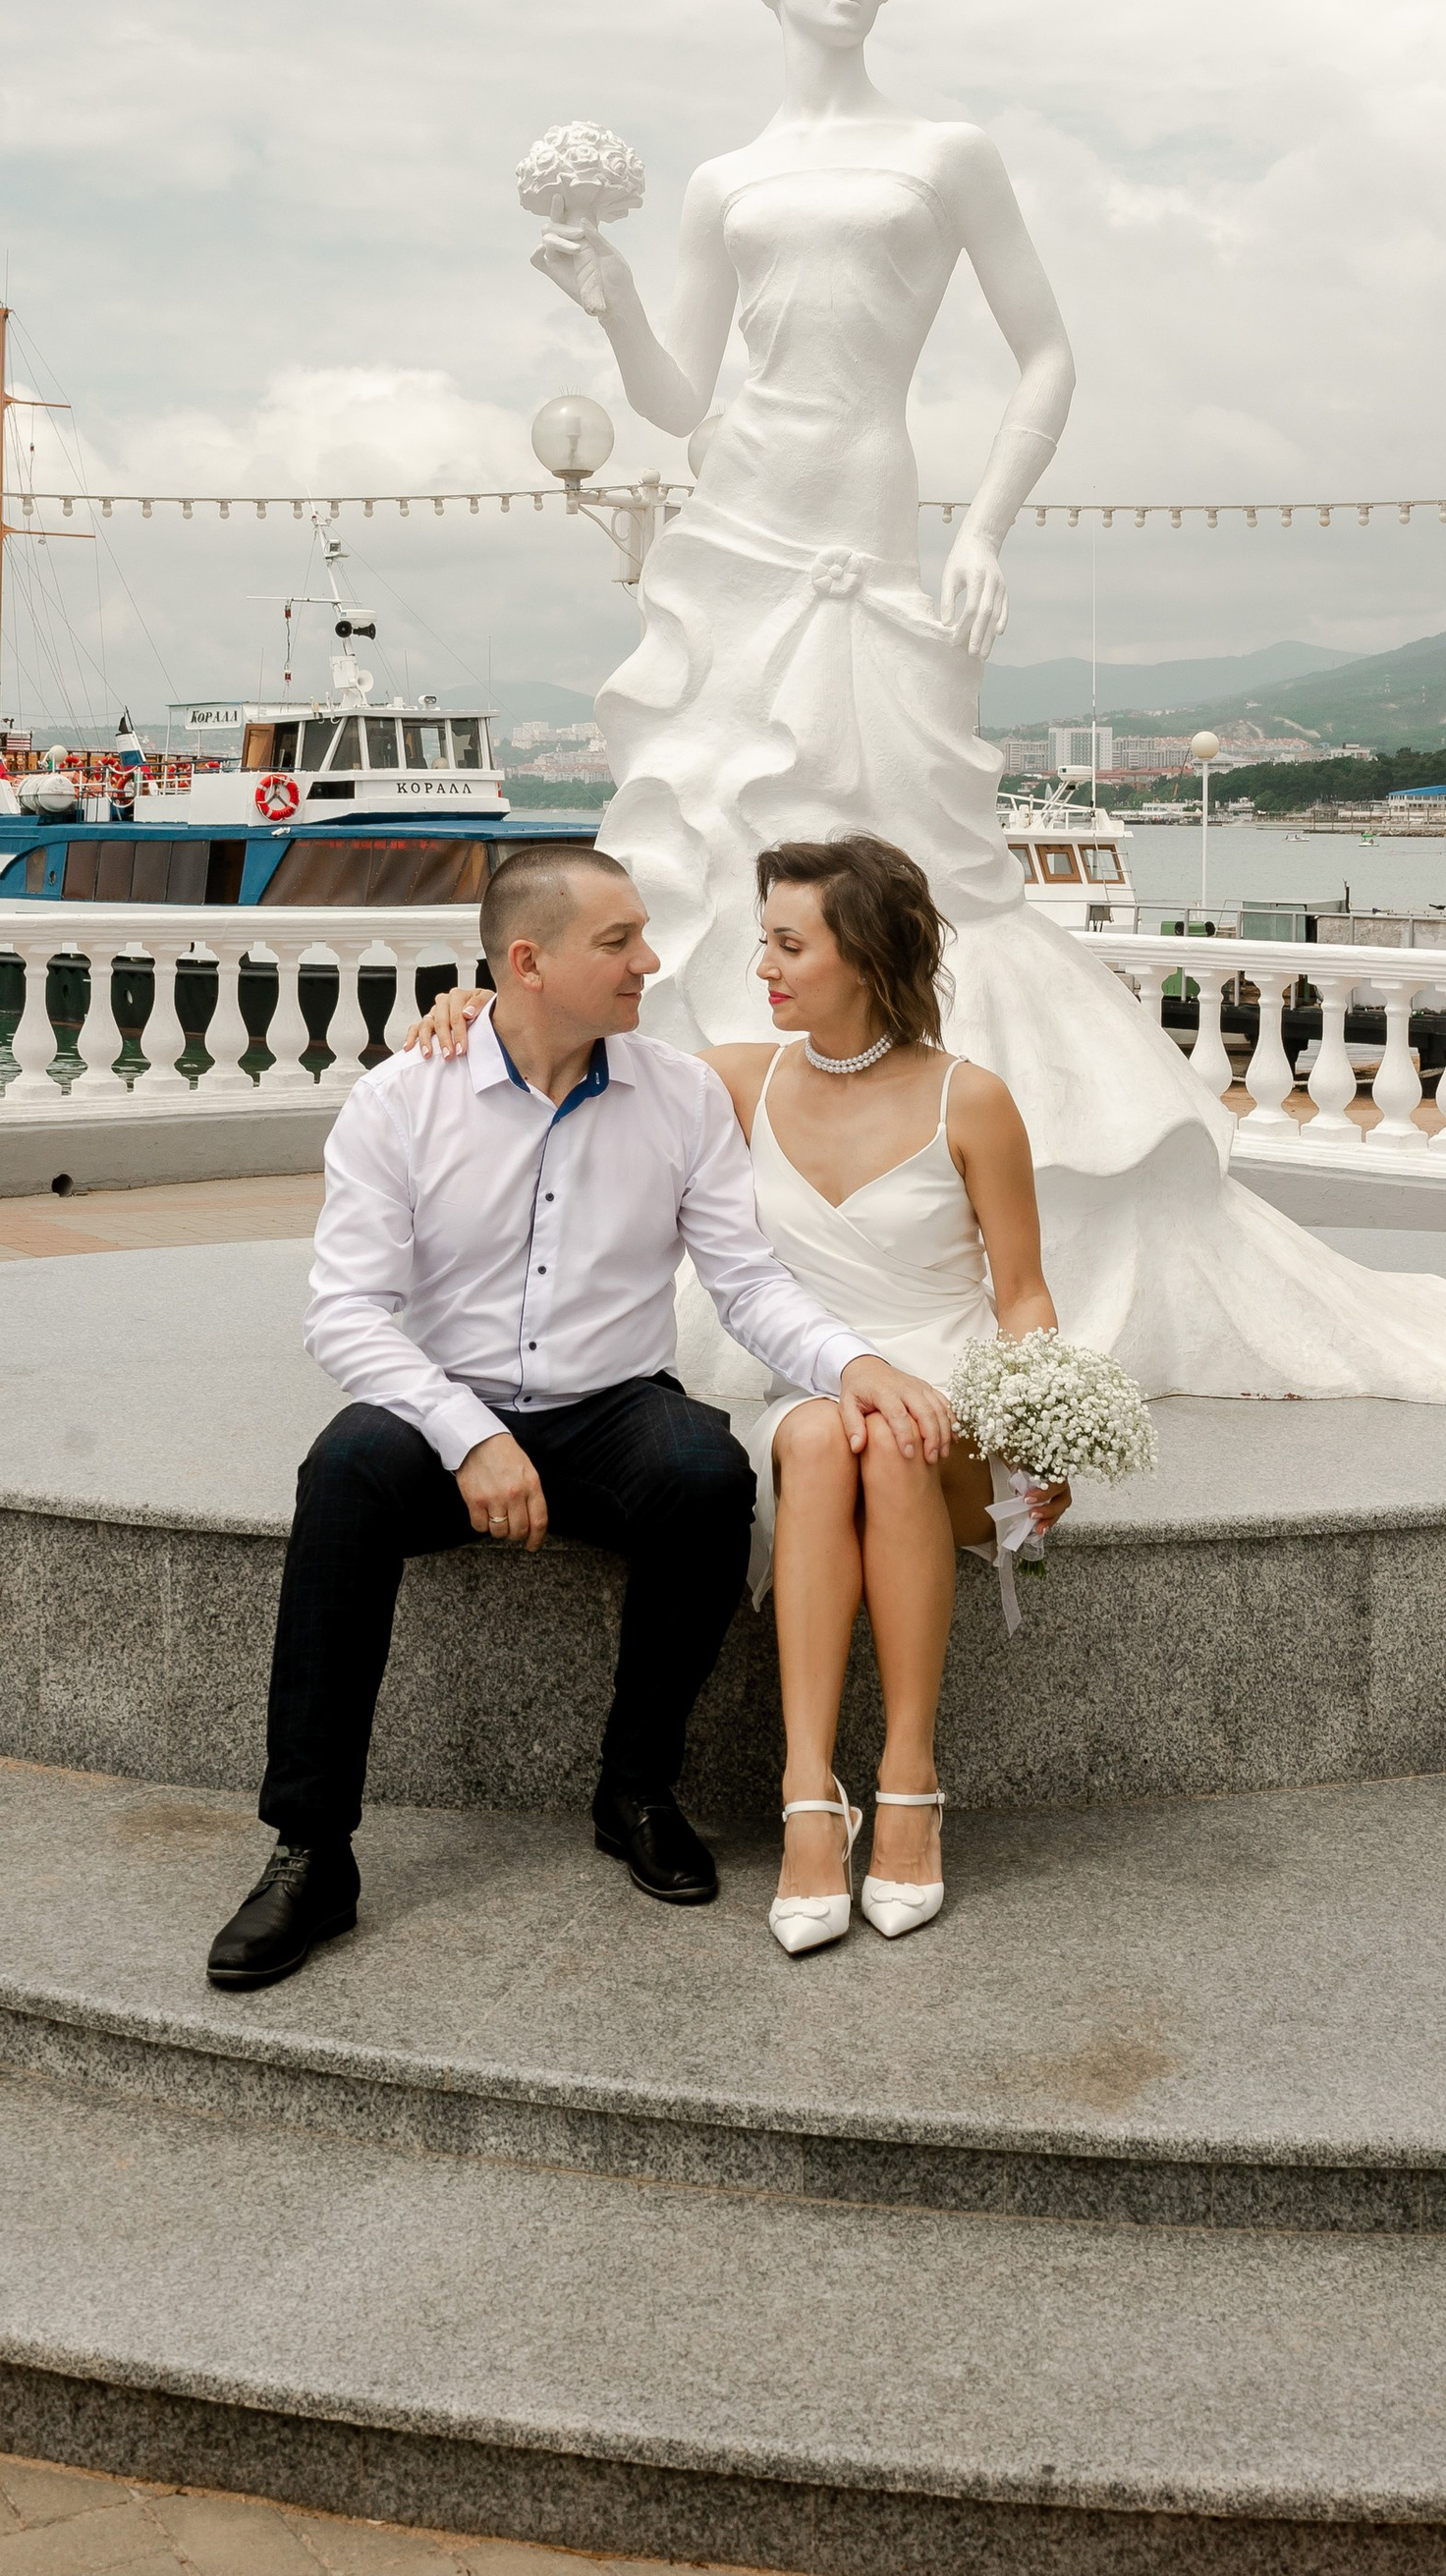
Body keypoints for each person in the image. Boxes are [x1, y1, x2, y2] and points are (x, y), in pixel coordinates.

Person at [524, 0, 1446, 1404]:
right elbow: (686, 402)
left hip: (870, 537)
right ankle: (713, 1220)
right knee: (713, 853)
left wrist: (986, 529)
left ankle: (944, 1208)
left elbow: (1046, 355)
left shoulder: (946, 154)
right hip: (734, 529)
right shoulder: (723, 180)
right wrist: (610, 304)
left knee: (916, 864)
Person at [205, 838, 957, 1995]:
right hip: (442, 1406)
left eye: (643, 936)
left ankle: (635, 1789)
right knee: (341, 1476)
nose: (649, 962)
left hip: (611, 1405)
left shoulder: (680, 1095)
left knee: (706, 1479)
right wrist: (470, 1435)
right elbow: (346, 1316)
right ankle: (314, 1850)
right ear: (527, 961)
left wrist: (853, 1365)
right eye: (619, 942)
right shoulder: (402, 1098)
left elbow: (746, 1283)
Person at [404, 831, 1067, 1959]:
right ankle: (810, 1791)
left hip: (946, 1410)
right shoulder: (732, 1080)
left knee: (889, 1436)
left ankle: (908, 1772)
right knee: (823, 1436)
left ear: (862, 956)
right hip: (811, 1392)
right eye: (763, 939)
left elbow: (1023, 1293)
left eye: (788, 944)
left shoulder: (973, 1100)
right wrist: (467, 1007)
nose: (762, 964)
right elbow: (567, 1042)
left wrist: (1045, 1429)